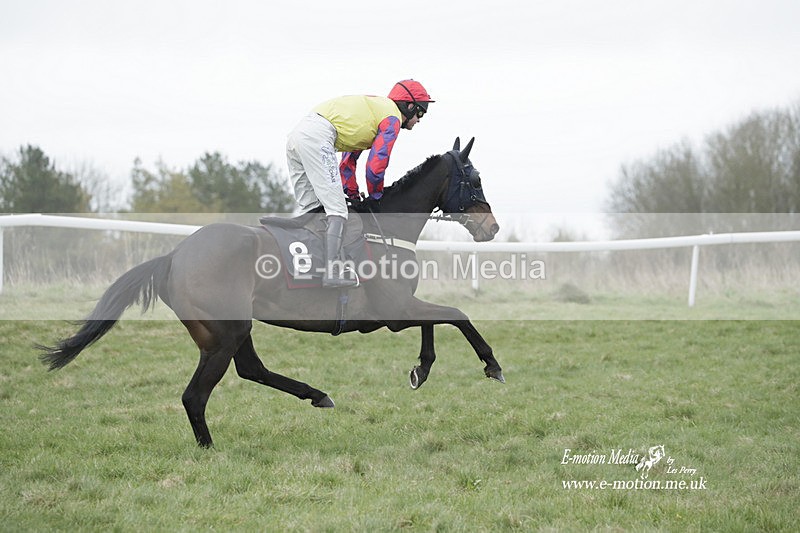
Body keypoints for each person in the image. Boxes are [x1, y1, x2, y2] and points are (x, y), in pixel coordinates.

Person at [286, 79, 434, 288]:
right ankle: (332, 272)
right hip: (318, 137)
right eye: (421, 113)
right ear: (409, 106)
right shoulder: (391, 119)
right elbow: (376, 166)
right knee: (338, 210)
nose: (419, 120)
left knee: (312, 210)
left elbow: (347, 163)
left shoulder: (373, 113)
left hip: (297, 135)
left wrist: (353, 194)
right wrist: (376, 197)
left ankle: (309, 270)